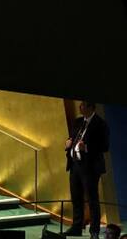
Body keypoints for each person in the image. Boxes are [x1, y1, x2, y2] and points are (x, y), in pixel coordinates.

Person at [64, 101, 109, 238]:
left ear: (91, 107)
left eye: (83, 105)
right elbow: (72, 137)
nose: (80, 107)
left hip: (90, 167)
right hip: (75, 165)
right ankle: (77, 227)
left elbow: (104, 146)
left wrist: (87, 147)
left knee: (92, 199)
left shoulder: (100, 124)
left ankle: (94, 231)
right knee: (76, 197)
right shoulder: (78, 121)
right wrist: (68, 142)